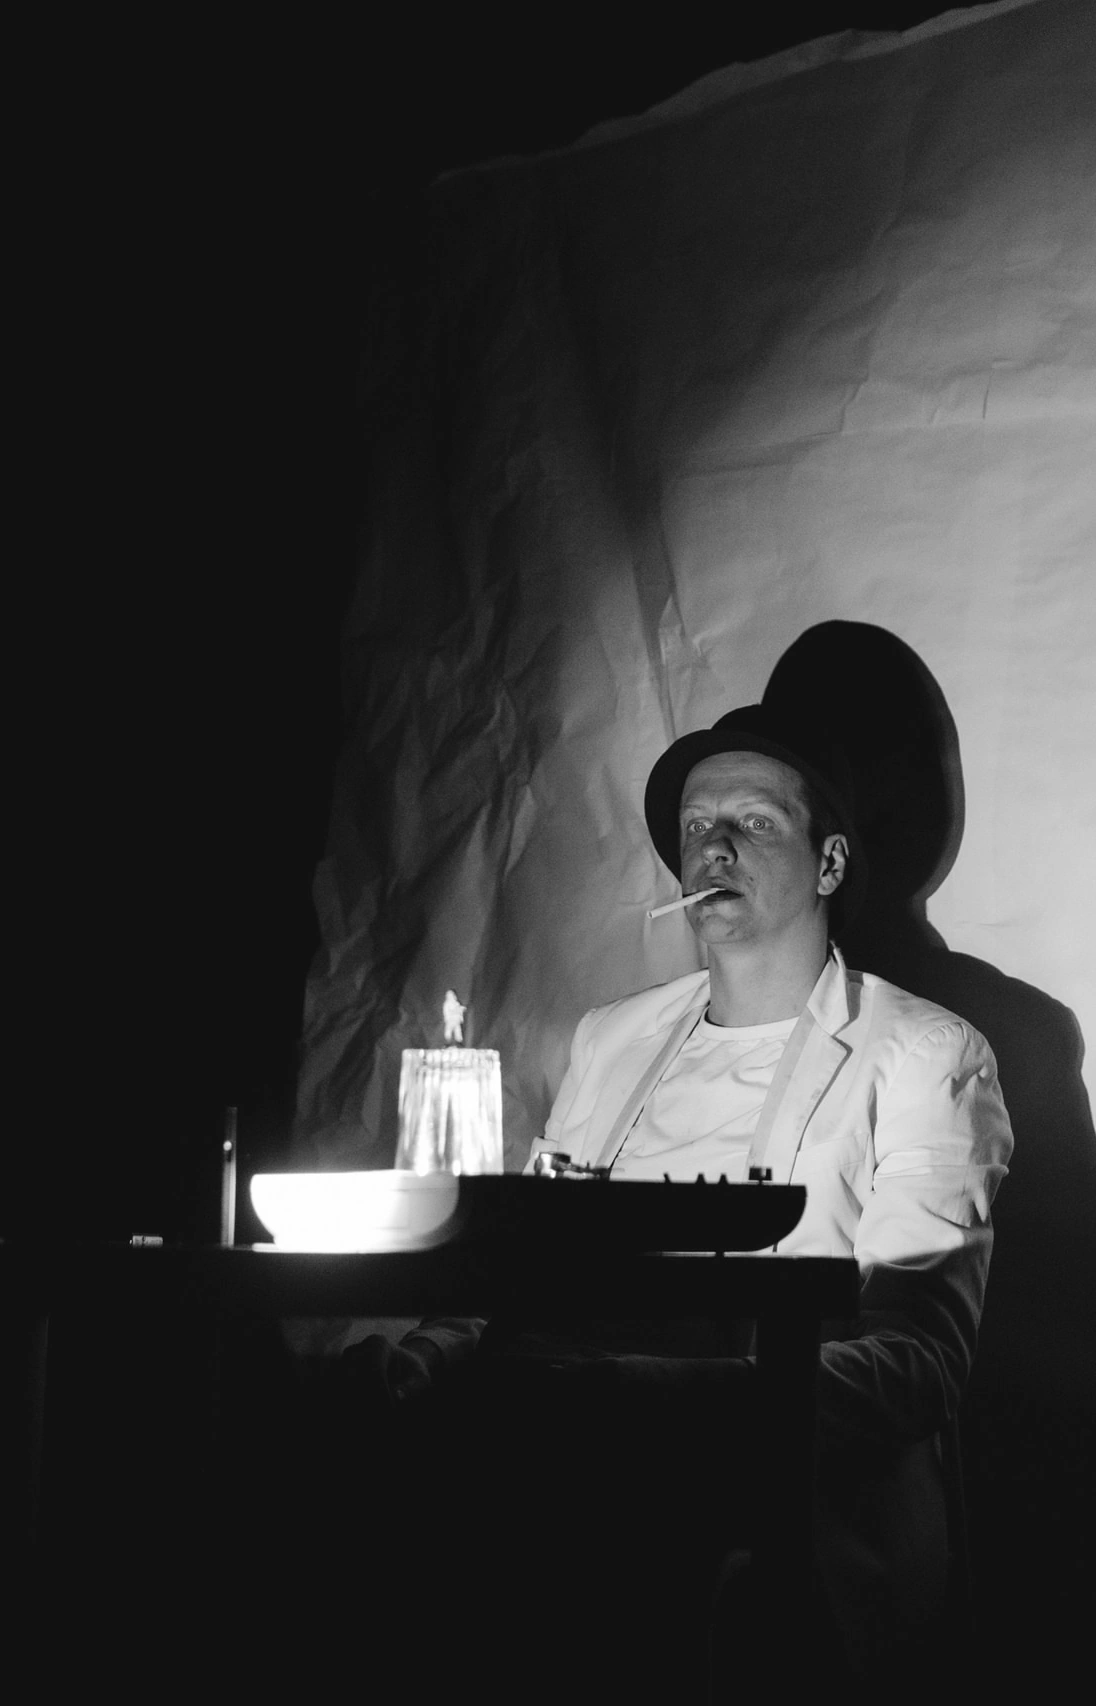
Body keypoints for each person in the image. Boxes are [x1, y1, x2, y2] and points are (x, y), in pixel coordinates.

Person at [340, 701, 1013, 1689]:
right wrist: (427, 1359)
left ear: (829, 862)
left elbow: (918, 1363)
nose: (714, 847)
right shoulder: (612, 1037)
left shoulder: (923, 1052)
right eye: (698, 825)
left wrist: (635, 1400)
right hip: (556, 1468)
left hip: (776, 1502)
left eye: (755, 822)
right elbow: (522, 1262)